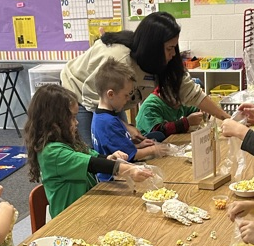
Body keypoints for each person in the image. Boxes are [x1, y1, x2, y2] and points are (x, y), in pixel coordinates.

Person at [60, 10, 231, 144]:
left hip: (108, 102)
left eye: (175, 47)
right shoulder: (119, 59)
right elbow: (97, 104)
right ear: (154, 48)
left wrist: (227, 119)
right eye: (169, 48)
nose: (173, 54)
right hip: (81, 94)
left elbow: (193, 93)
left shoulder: (162, 61)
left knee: (123, 142)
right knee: (96, 149)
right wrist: (124, 126)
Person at [24, 83, 153, 218]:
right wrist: (129, 170)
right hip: (69, 218)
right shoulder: (52, 153)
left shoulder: (68, 143)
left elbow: (93, 156)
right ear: (54, 121)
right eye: (72, 118)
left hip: (87, 208)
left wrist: (110, 158)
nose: (77, 122)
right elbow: (92, 164)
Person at [90, 59, 165, 181]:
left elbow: (118, 146)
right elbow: (131, 155)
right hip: (115, 180)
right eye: (126, 95)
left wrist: (139, 145)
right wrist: (153, 149)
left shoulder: (105, 116)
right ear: (110, 94)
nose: (128, 100)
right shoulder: (107, 122)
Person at [135, 87, 204, 139]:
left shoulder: (178, 101)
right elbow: (159, 130)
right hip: (149, 147)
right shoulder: (150, 106)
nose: (181, 102)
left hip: (168, 143)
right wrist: (187, 122)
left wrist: (203, 111)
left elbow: (194, 109)